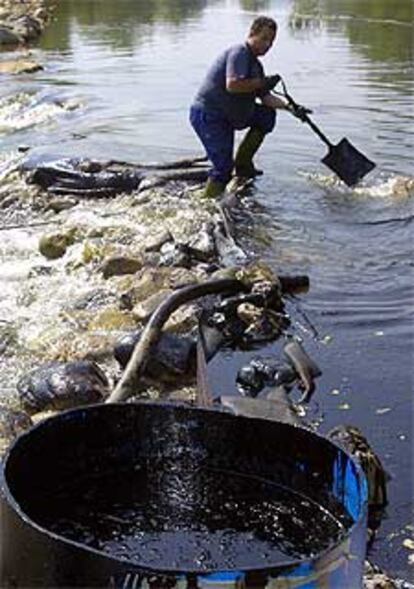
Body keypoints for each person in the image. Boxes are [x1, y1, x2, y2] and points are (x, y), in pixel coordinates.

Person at [190, 16, 307, 199]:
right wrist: (262, 82)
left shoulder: (256, 65)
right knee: (222, 169)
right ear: (252, 34)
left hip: (231, 116)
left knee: (266, 115)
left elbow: (266, 98)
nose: (268, 45)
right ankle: (207, 206)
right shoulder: (239, 53)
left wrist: (291, 107)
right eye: (264, 39)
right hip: (211, 117)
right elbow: (233, 85)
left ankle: (243, 165)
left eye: (271, 41)